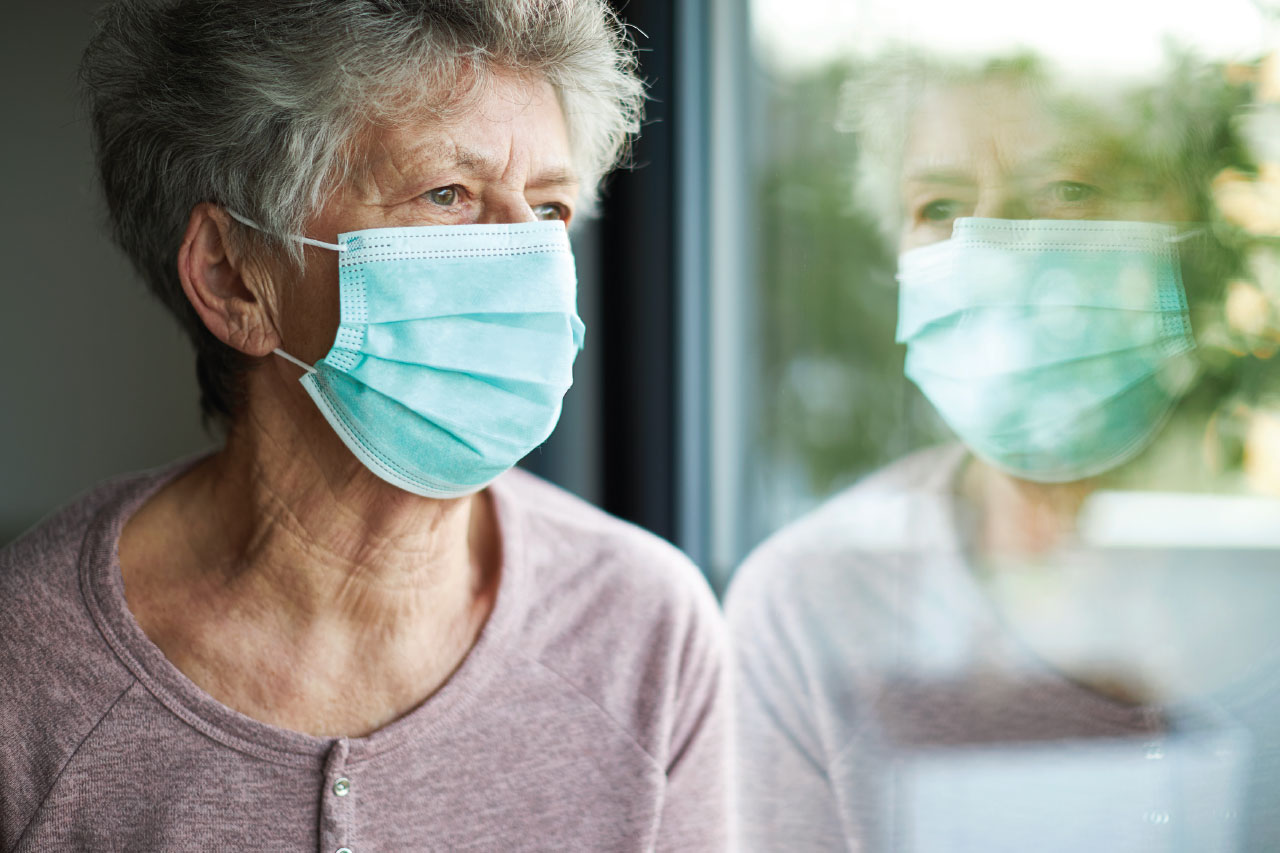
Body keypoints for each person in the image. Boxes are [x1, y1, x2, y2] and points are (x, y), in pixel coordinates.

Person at [0, 2, 728, 850]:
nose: (526, 261)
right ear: (235, 276)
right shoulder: (27, 667)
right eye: (447, 193)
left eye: (550, 209)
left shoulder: (646, 632)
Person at [728, 55, 1280, 851]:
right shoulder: (814, 602)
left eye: (1065, 191)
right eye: (941, 205)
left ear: (1180, 232)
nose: (990, 248)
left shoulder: (1256, 574)